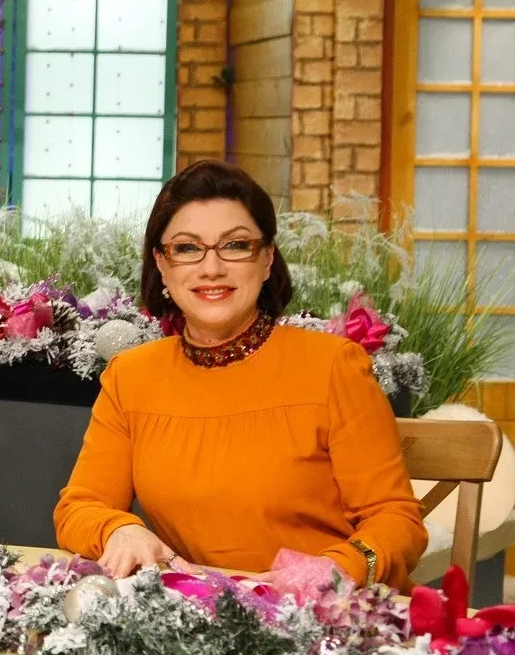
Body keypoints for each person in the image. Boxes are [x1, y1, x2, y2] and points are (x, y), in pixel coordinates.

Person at [54, 160, 426, 591]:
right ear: (162, 264)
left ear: (266, 259)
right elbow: (79, 508)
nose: (211, 268)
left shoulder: (334, 366)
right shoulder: (131, 376)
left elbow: (397, 521)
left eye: (235, 245)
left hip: (323, 613)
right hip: (195, 614)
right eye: (187, 248)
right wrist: (119, 530)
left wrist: (341, 568)